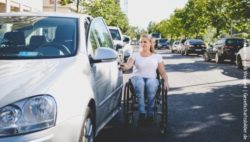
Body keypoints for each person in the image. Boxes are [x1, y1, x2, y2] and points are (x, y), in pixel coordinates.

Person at [120, 34, 169, 126]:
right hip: (137, 78)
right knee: (140, 83)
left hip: (152, 79)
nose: (142, 44)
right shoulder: (135, 55)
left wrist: (166, 81)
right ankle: (142, 114)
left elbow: (162, 72)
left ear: (150, 43)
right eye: (141, 42)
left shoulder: (157, 56)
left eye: (145, 42)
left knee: (150, 84)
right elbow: (128, 65)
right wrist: (124, 66)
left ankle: (150, 115)